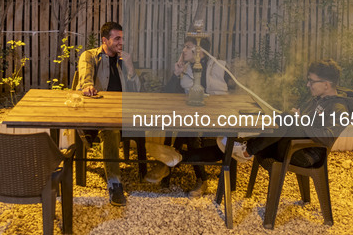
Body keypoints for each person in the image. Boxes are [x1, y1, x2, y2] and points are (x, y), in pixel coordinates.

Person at [146, 36, 236, 197]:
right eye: (184, 47)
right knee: (187, 129)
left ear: (199, 51)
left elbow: (236, 90)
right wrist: (176, 74)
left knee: (187, 130)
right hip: (194, 117)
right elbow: (168, 95)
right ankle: (198, 177)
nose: (183, 50)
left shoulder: (220, 67)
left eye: (188, 47)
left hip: (219, 117)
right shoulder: (186, 69)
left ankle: (169, 162)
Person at [231, 59, 353, 165]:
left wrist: (300, 121)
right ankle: (244, 146)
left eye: (312, 81)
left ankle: (245, 150)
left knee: (287, 118)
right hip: (293, 146)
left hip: (307, 155)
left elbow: (327, 138)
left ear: (326, 85)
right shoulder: (316, 99)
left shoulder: (339, 108)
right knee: (284, 118)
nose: (308, 84)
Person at [76, 21, 140, 206]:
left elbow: (136, 91)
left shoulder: (124, 59)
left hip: (122, 111)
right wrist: (88, 86)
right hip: (99, 111)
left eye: (123, 38)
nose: (121, 42)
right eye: (117, 38)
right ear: (104, 40)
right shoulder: (89, 56)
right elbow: (85, 78)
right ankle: (114, 183)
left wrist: (130, 67)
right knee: (111, 131)